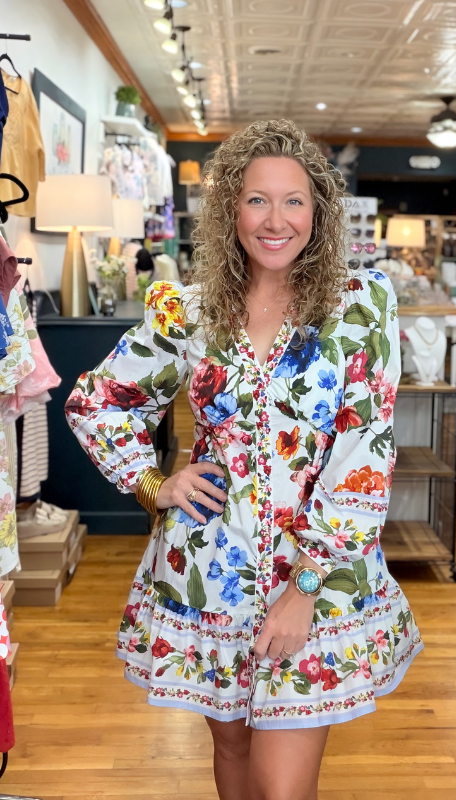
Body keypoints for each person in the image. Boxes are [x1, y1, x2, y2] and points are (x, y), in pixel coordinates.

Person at [65, 119, 422, 800]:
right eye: (257, 199)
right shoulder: (188, 311)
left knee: (281, 789)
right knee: (231, 754)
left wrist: (306, 585)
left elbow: (366, 451)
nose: (275, 219)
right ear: (231, 208)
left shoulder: (359, 306)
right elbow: (96, 401)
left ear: (318, 213)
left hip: (316, 579)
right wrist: (152, 484)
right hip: (209, 578)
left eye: (294, 201)